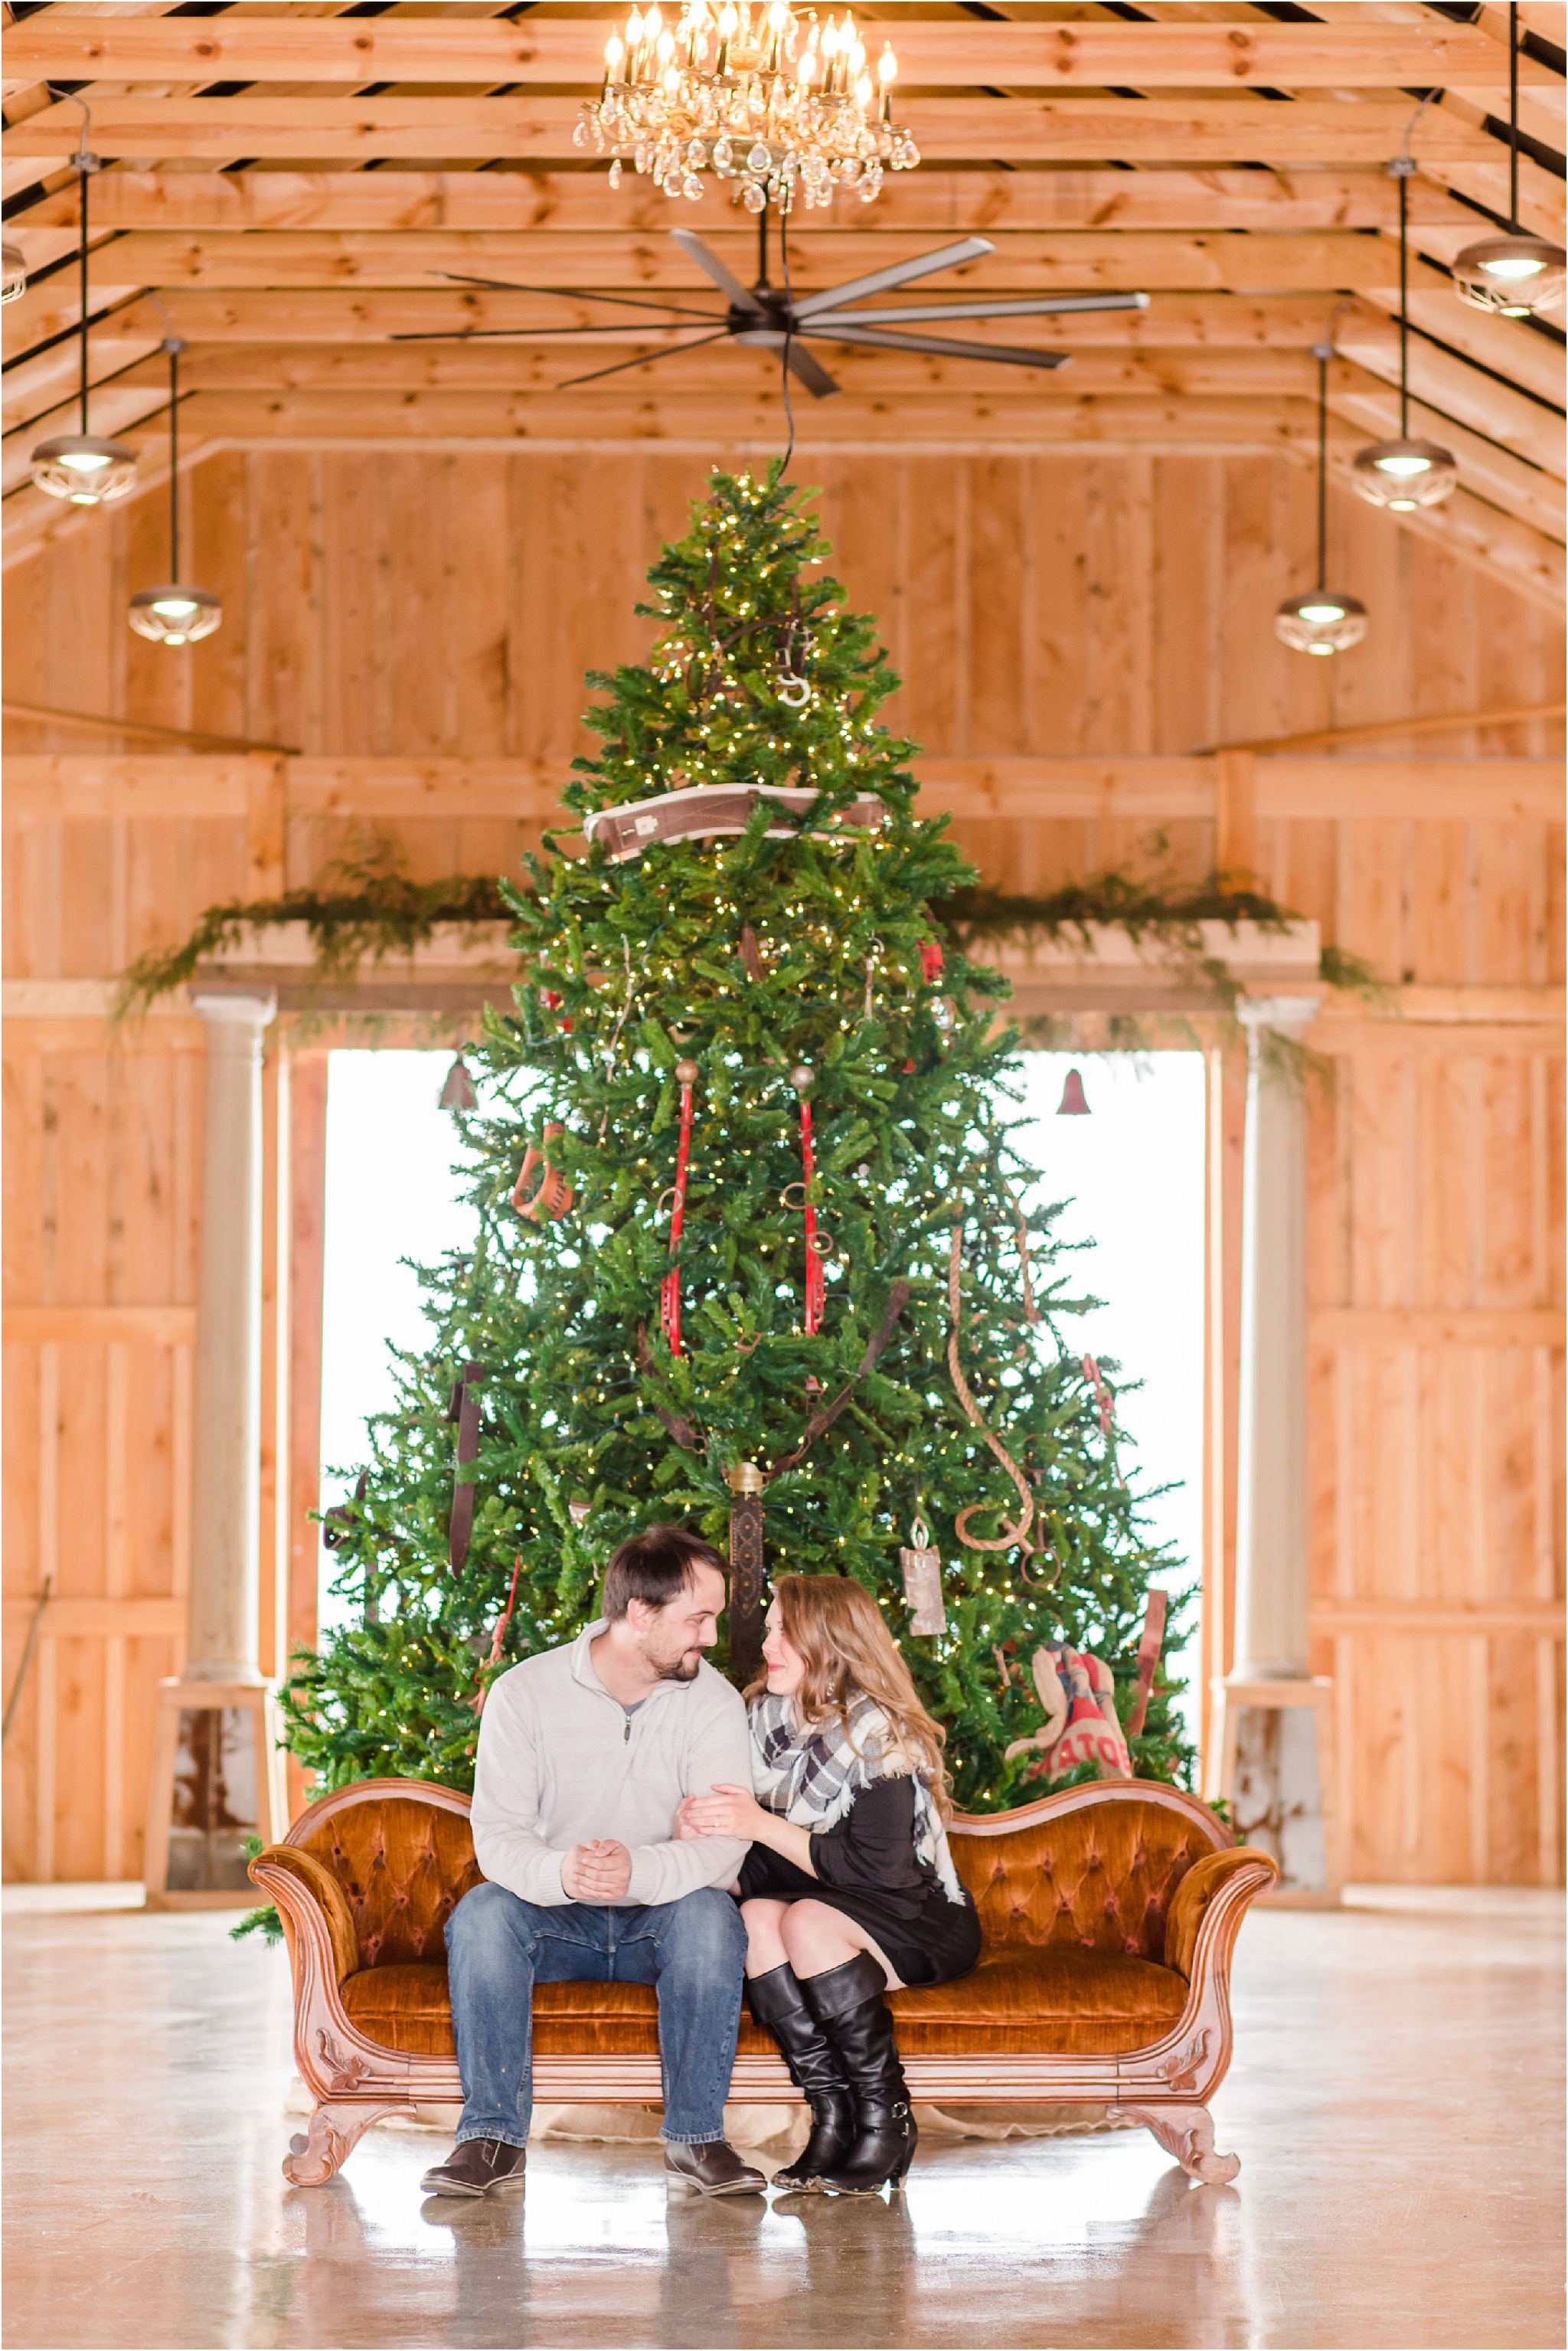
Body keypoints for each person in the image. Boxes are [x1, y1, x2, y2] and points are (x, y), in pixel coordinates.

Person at [422, 1524, 767, 2201]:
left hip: (661, 1921)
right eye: (697, 1618)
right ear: (640, 1613)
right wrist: (566, 1875)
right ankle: (491, 2137)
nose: (709, 1636)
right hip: (554, 1921)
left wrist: (636, 1872)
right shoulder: (525, 1693)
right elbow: (498, 1836)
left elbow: (725, 1843)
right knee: (484, 1914)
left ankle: (697, 2138)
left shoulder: (715, 1703)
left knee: (709, 1917)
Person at [677, 1575, 980, 2196]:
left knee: (804, 1921)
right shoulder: (761, 1721)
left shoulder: (879, 1736)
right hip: (827, 1908)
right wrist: (703, 1844)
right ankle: (833, 2117)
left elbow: (880, 1874)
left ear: (832, 1640)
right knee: (759, 1917)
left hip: (914, 1914)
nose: (769, 1644)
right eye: (769, 1629)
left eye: (786, 1630)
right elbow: (768, 1872)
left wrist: (758, 1822)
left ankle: (886, 2120)